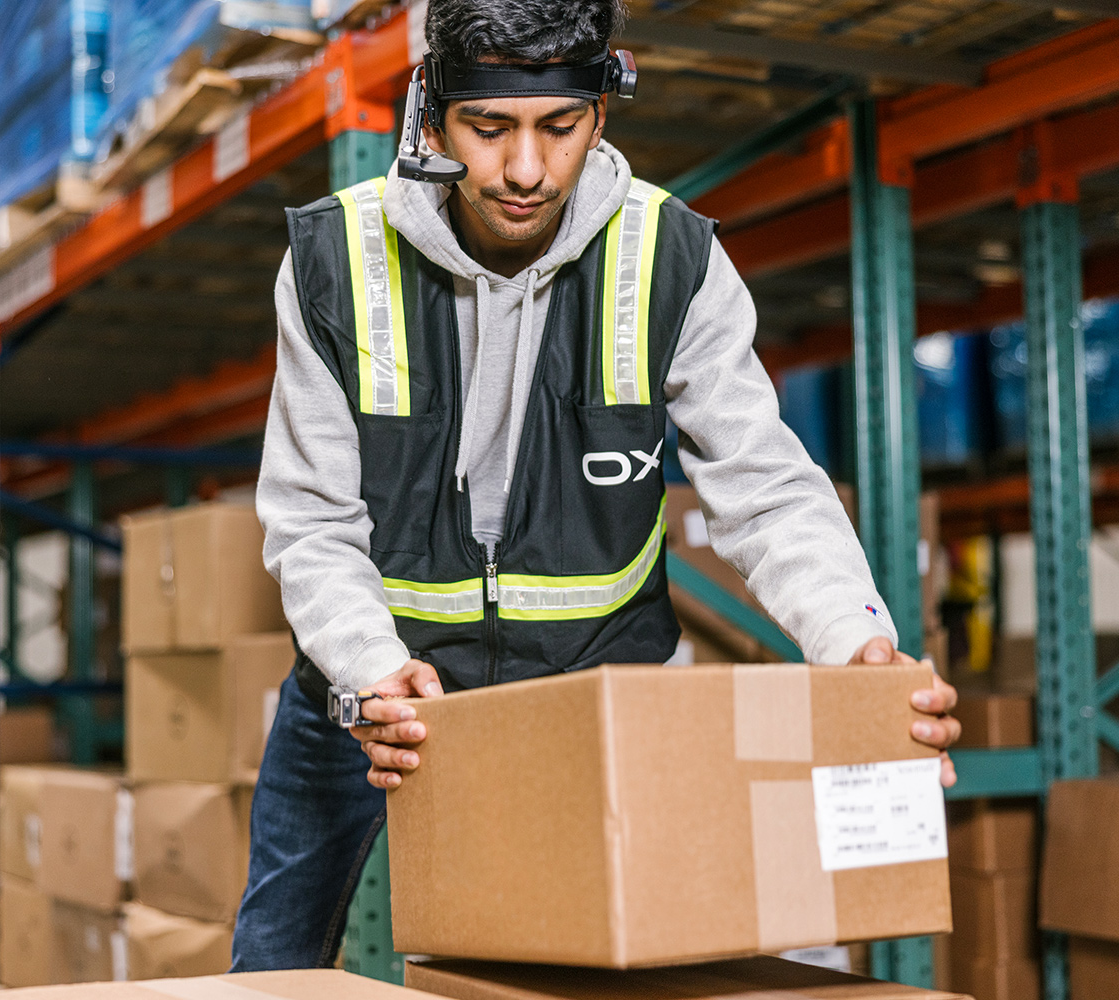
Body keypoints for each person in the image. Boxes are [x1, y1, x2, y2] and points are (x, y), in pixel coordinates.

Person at [231, 0, 960, 971]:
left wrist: (854, 640)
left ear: (602, 112)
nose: (526, 169)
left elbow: (766, 484)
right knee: (270, 969)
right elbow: (311, 520)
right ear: (433, 113)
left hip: (585, 694)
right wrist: (371, 671)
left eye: (558, 127)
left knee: (582, 979)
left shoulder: (672, 257)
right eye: (490, 128)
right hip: (375, 696)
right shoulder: (332, 259)